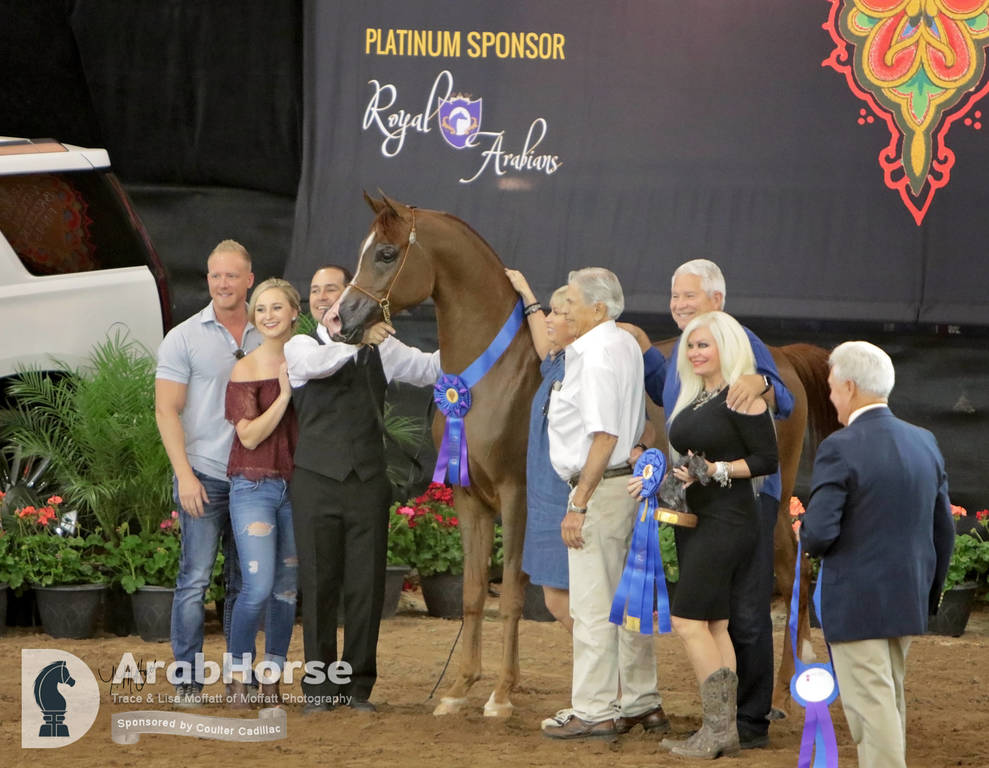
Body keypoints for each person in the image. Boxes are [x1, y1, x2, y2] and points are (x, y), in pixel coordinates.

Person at [619, 258, 793, 749]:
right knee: (717, 618)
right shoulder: (690, 367)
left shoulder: (737, 342)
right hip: (698, 506)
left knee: (741, 614)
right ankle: (728, 725)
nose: (678, 304)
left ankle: (749, 720)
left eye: (688, 296)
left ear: (717, 301)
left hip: (740, 506)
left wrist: (762, 383)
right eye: (673, 296)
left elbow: (779, 405)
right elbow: (670, 398)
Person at [285, 264, 442, 713]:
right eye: (314, 290)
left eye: (330, 289)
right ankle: (318, 689)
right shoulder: (301, 345)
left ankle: (356, 688)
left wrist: (468, 335)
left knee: (366, 588)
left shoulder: (382, 346)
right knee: (318, 587)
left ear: (350, 297)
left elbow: (428, 368)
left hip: (368, 483)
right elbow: (318, 365)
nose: (320, 297)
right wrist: (356, 338)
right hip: (315, 481)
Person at [800, 341, 953, 768]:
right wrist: (929, 593)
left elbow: (819, 533)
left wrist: (805, 536)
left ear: (848, 387)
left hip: (856, 599)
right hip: (906, 594)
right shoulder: (924, 441)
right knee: (888, 696)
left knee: (872, 706)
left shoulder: (839, 446)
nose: (830, 398)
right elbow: (944, 529)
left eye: (831, 388)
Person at [541, 267, 666, 741]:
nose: (565, 307)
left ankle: (593, 709)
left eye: (571, 300)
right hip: (625, 487)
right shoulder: (624, 345)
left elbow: (604, 434)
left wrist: (579, 502)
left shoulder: (593, 355)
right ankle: (640, 701)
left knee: (593, 606)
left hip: (602, 488)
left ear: (597, 308)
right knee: (629, 601)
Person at [655, 310, 778, 759]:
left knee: (687, 621)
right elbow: (698, 461)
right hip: (703, 518)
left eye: (704, 344)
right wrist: (679, 476)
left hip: (727, 520)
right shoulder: (700, 396)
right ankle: (723, 731)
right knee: (715, 623)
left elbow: (766, 460)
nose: (694, 352)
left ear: (726, 346)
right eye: (690, 345)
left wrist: (716, 470)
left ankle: (717, 729)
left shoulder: (742, 396)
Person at [155, 239, 260, 707]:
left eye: (232, 275)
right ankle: (188, 681)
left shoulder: (269, 332)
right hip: (206, 476)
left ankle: (240, 680)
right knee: (194, 581)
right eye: (215, 275)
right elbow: (165, 410)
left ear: (249, 280)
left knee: (244, 583)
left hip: (256, 479)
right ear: (207, 280)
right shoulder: (183, 337)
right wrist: (185, 476)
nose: (223, 284)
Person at [224, 278, 301, 708]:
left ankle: (270, 678)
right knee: (257, 586)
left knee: (286, 590)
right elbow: (249, 436)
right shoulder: (246, 368)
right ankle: (238, 676)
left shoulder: (308, 361)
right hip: (253, 485)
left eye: (277, 308)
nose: (269, 315)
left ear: (293, 312)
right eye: (261, 309)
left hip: (295, 488)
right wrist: (285, 395)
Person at [504, 269, 575, 630]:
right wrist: (527, 294)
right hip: (548, 496)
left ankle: (614, 680)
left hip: (565, 496)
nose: (548, 318)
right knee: (557, 599)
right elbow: (544, 345)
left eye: (558, 313)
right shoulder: (558, 362)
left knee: (564, 601)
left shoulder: (582, 365)